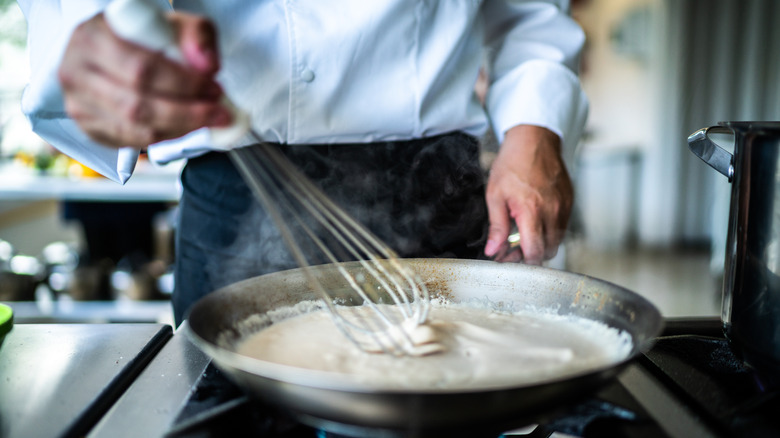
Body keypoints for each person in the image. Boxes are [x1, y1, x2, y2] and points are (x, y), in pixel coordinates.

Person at [18, 0, 588, 325]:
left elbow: (531, 14)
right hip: (239, 199)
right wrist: (91, 41)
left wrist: (536, 127)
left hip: (436, 191)